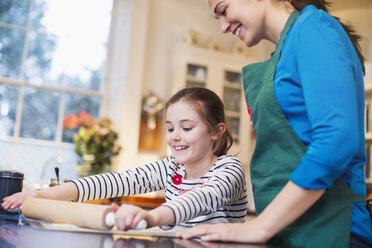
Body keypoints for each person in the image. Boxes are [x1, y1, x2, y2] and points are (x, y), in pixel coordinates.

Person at [177, 0, 372, 247]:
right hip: (292, 229)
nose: (224, 27)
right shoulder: (284, 51)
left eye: (224, 10)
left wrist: (262, 226)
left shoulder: (313, 27)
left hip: (331, 228)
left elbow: (336, 140)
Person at [2, 87, 248, 230]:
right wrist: (40, 195)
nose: (174, 137)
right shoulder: (172, 168)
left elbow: (202, 198)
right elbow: (114, 181)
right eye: (171, 128)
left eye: (187, 128)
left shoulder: (228, 168)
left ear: (216, 131)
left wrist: (152, 216)